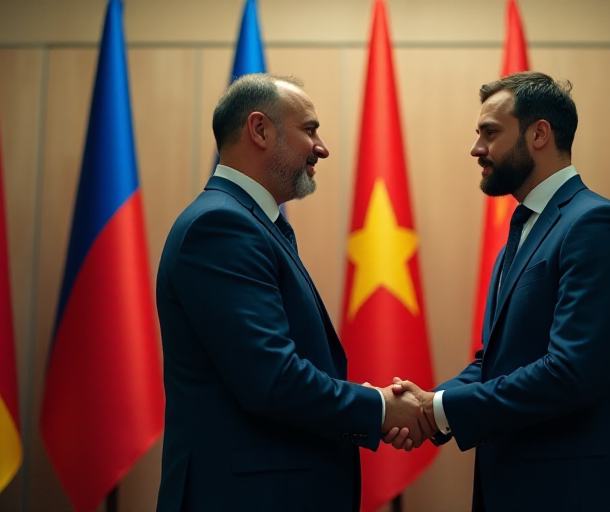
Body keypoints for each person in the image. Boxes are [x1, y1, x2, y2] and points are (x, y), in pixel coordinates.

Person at [155, 74, 432, 512]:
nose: (321, 147)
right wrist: (379, 408)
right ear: (260, 129)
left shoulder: (252, 224)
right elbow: (272, 380)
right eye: (309, 129)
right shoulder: (221, 227)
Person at [390, 71, 610, 511]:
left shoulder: (595, 225)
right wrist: (431, 407)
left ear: (539, 134)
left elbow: (570, 373)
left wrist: (438, 409)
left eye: (490, 133)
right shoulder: (520, 235)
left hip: (578, 493)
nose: (477, 148)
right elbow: (494, 362)